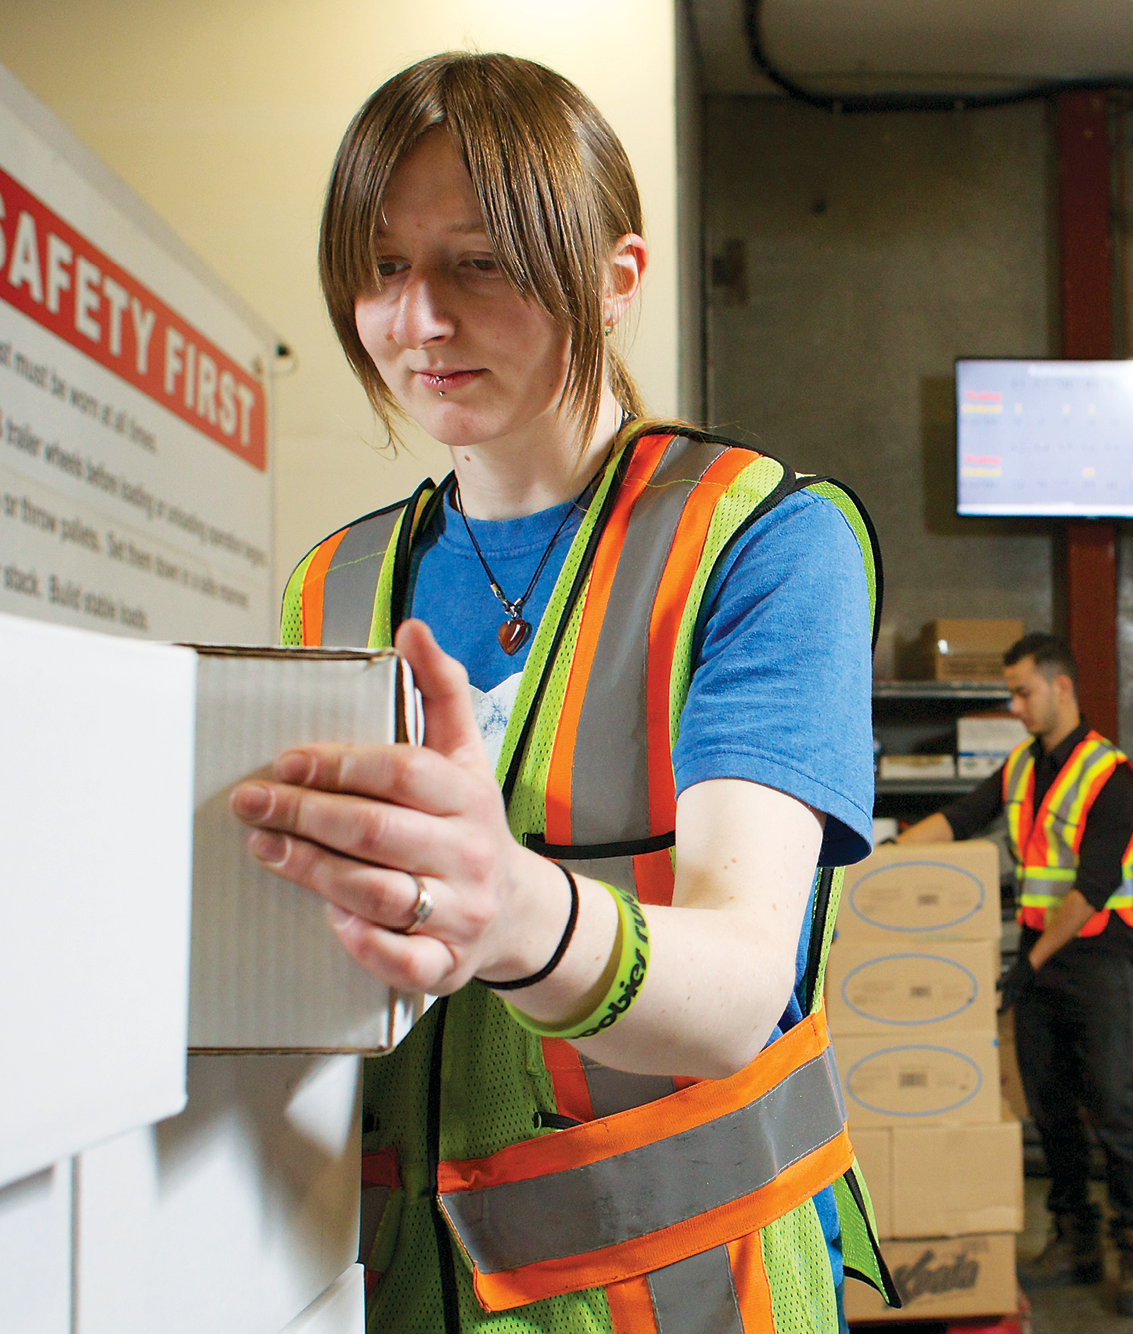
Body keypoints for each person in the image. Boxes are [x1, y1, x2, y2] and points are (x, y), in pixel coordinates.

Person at [228, 52, 895, 1334]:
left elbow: (740, 980)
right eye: (379, 267)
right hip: (381, 1290)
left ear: (614, 275)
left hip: (689, 1296)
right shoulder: (334, 584)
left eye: (478, 261)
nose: (418, 316)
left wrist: (510, 908)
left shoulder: (758, 542)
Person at [893, 632, 1133, 1317]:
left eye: (1023, 691)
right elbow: (957, 821)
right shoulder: (1019, 769)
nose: (1015, 706)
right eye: (1011, 693)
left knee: (1112, 1102)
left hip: (1096, 957)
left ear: (1062, 687)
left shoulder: (1115, 778)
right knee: (1049, 1106)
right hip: (1039, 957)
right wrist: (880, 853)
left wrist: (1027, 964)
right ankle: (1075, 1239)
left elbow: (1094, 886)